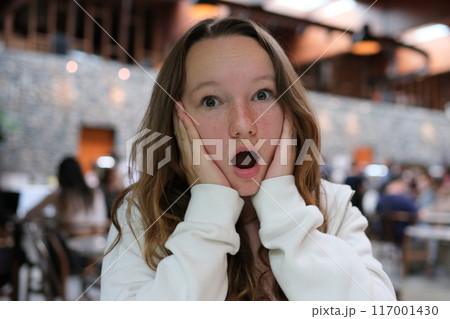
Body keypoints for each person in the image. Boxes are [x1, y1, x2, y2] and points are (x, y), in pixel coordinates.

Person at [101, 18, 395, 301]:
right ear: (176, 122)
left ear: (288, 110)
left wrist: (284, 206)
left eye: (262, 94)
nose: (242, 124)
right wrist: (211, 205)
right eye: (211, 101)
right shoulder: (141, 214)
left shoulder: (332, 206)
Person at [26, 157, 108, 237]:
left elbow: (31, 213)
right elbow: (101, 223)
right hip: (98, 242)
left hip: (69, 244)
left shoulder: (59, 194)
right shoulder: (95, 193)